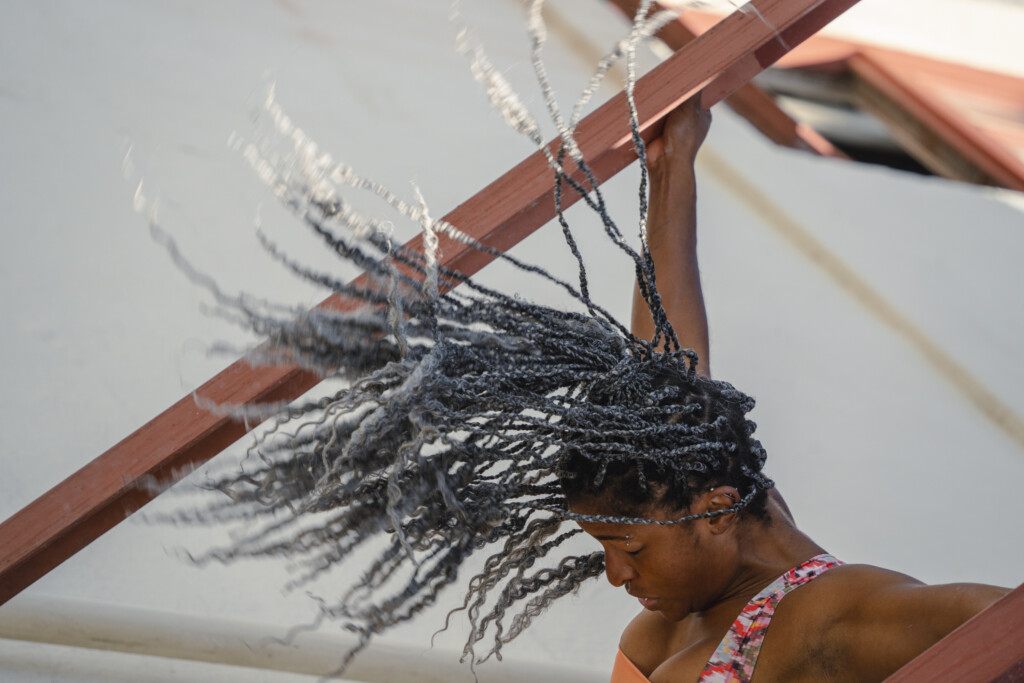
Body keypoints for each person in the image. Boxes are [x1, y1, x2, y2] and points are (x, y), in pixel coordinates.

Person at [561, 98, 1010, 683]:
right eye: (605, 548)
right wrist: (670, 169)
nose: (615, 573)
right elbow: (671, 372)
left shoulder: (834, 616)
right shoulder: (722, 511)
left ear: (716, 512)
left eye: (631, 548)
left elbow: (998, 623)